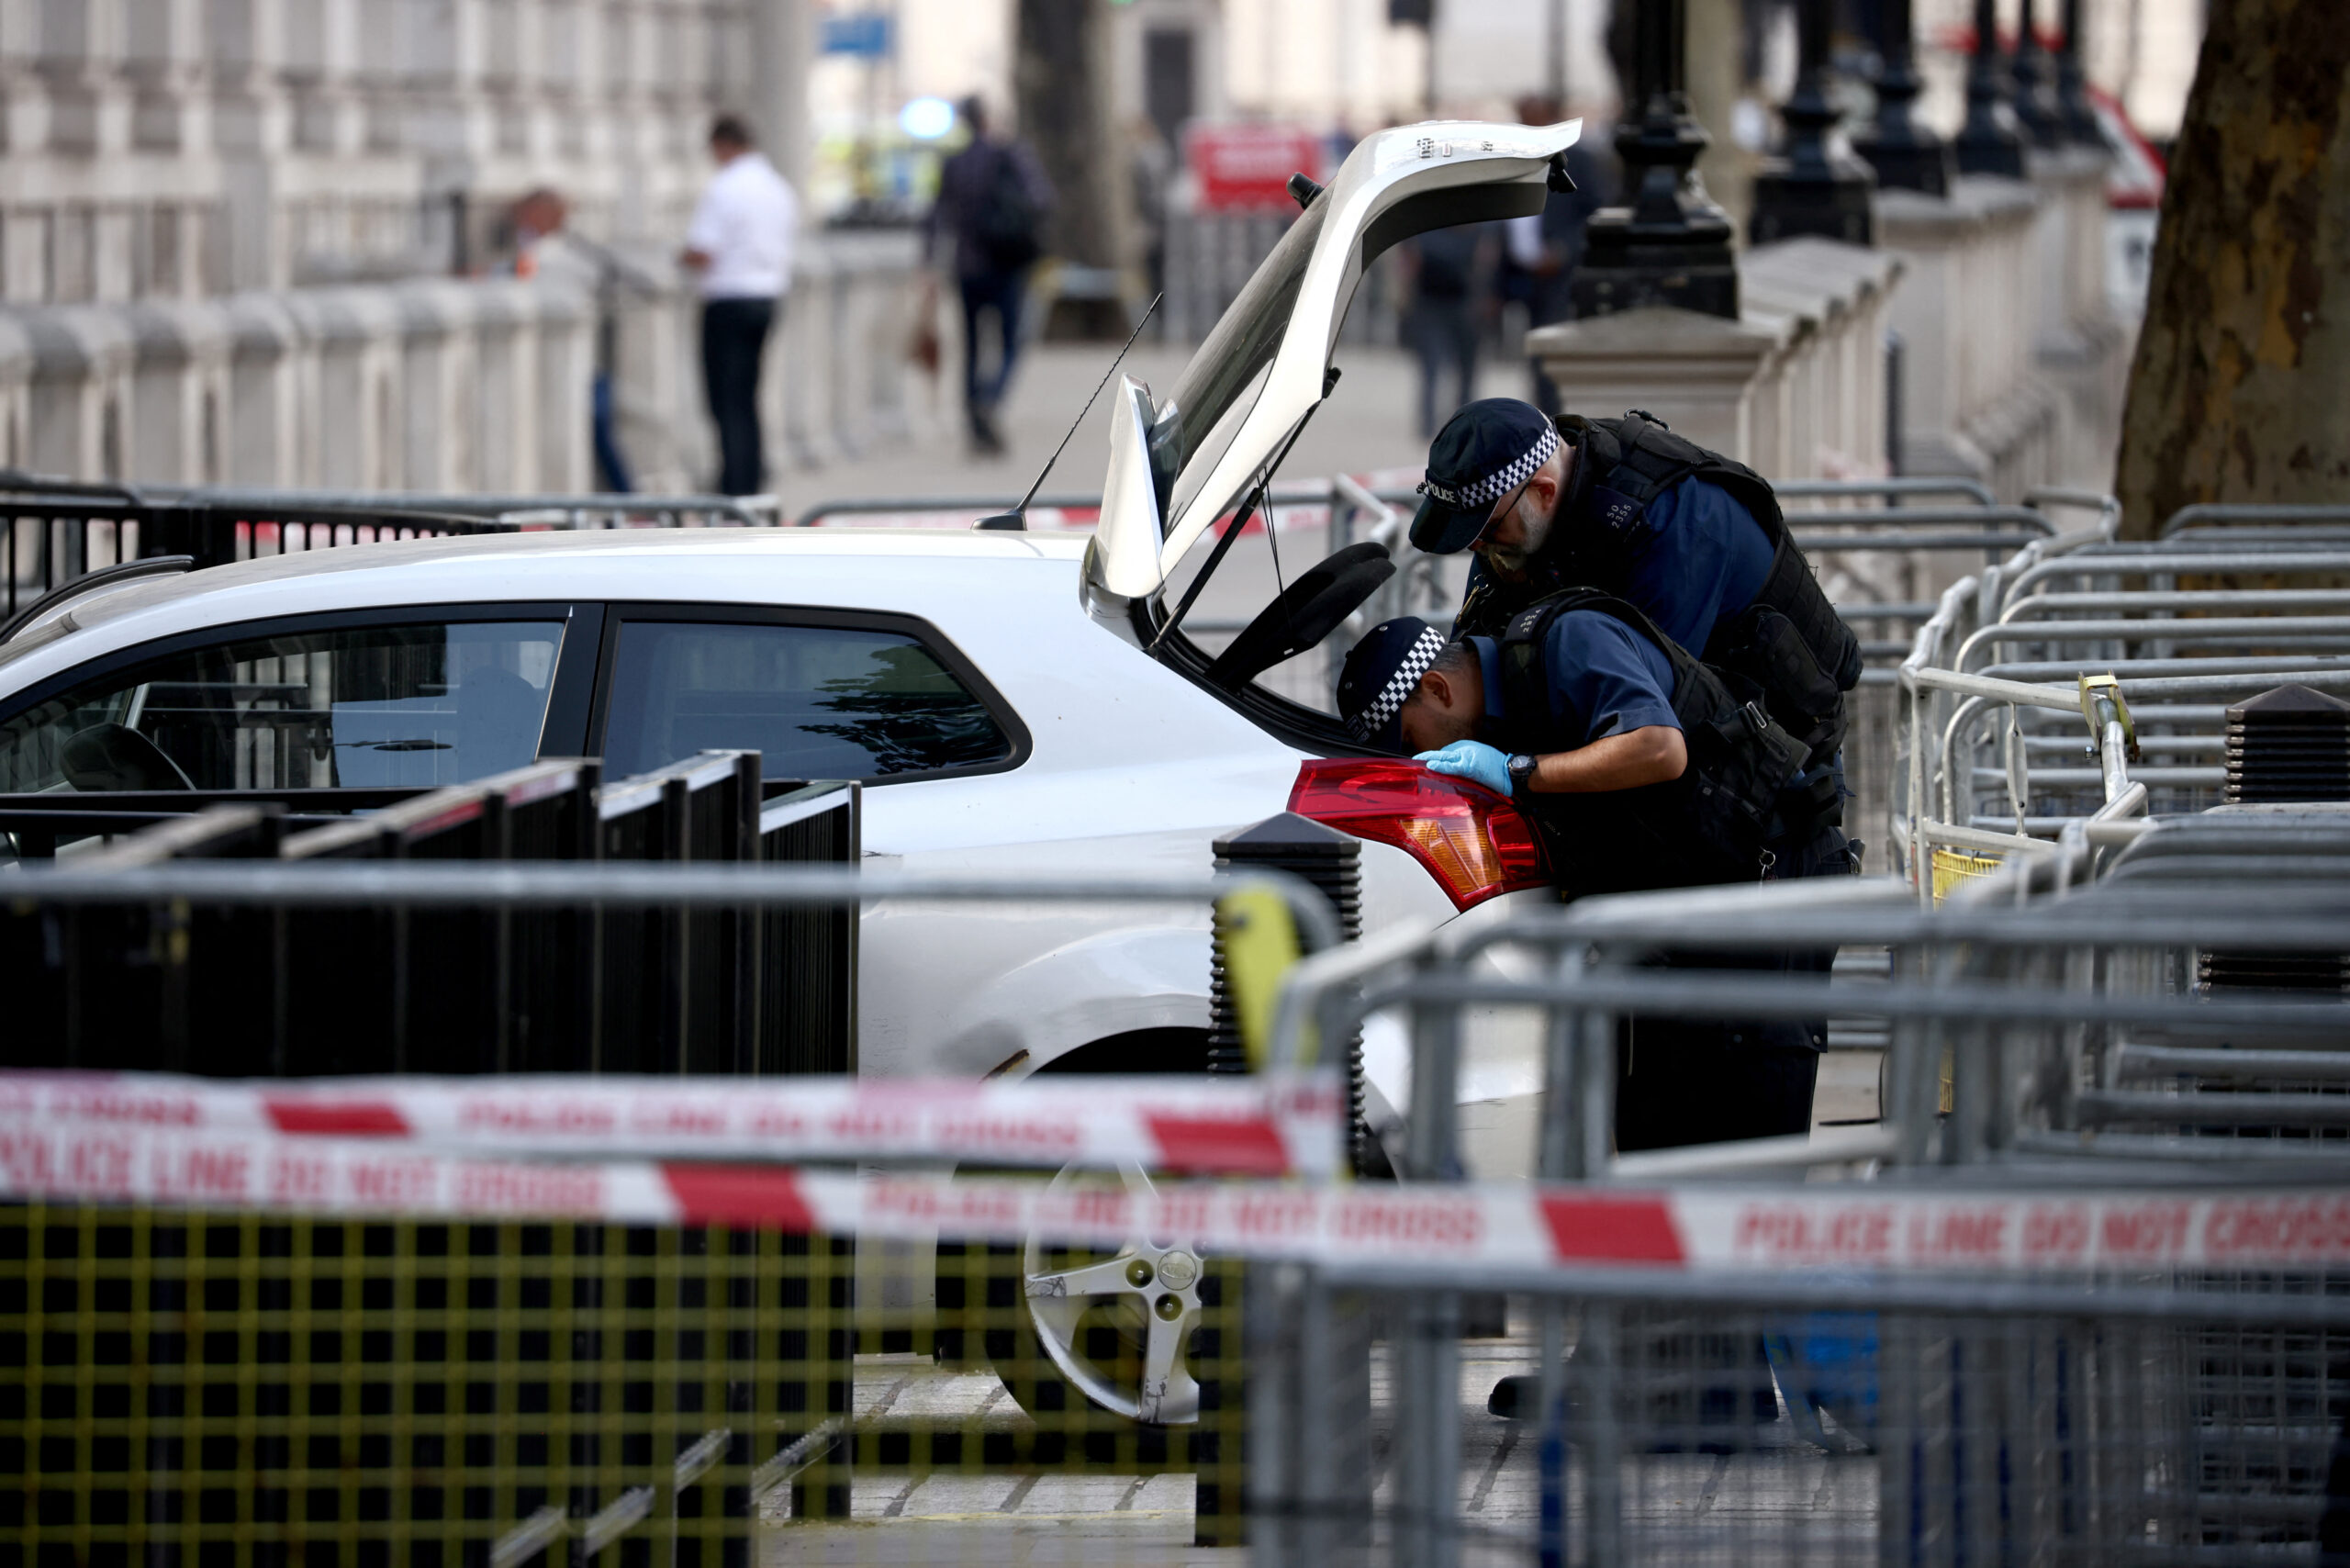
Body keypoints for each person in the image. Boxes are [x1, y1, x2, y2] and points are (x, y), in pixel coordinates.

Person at [922, 97, 1055, 455]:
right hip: (1006, 265)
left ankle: (974, 425)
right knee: (1011, 342)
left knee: (971, 348)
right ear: (986, 119)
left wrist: (929, 265)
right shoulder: (1010, 155)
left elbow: (935, 216)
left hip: (966, 268)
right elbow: (1041, 199)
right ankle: (990, 397)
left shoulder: (954, 163)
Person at [682, 114, 799, 496]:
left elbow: (703, 250)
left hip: (729, 299)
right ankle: (752, 475)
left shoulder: (725, 187)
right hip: (767, 297)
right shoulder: (778, 187)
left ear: (724, 144)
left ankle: (735, 483)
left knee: (725, 399)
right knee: (749, 394)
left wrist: (680, 258)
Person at [1500, 95, 1612, 414]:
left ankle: (1557, 422)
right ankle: (1542, 415)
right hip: (1524, 278)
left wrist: (1562, 251)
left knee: (1553, 356)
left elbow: (1596, 214)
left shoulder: (1580, 161)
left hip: (1562, 279)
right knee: (1534, 357)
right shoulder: (1511, 159)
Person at [1400, 223, 1496, 438]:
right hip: (1431, 303)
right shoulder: (1427, 230)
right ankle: (1431, 425)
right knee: (1432, 368)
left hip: (1464, 304)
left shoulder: (1481, 230)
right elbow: (1411, 262)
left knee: (1465, 370)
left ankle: (1464, 424)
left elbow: (1486, 262)